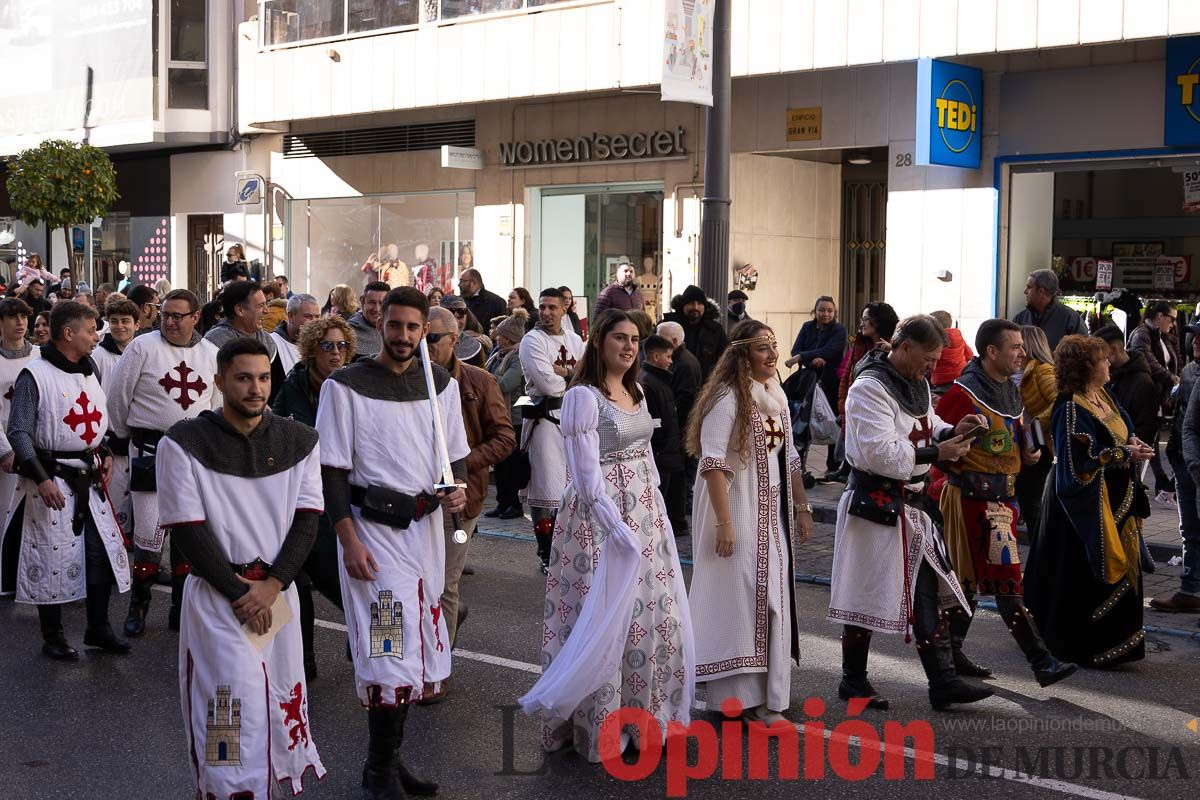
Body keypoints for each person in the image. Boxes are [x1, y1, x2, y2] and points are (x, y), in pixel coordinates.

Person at [518, 310, 694, 762]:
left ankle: (644, 715)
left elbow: (646, 455)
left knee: (649, 613)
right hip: (599, 519)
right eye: (620, 337)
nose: (629, 346)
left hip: (644, 510)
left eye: (635, 338)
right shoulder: (582, 396)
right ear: (599, 342)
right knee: (604, 615)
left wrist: (656, 515)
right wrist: (616, 528)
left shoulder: (637, 389)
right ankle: (598, 722)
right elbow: (585, 473)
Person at [315, 287, 467, 799]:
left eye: (413, 327)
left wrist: (459, 488)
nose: (403, 336)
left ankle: (387, 764)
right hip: (372, 536)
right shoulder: (344, 385)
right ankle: (378, 772)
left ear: (425, 330)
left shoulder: (440, 383)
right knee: (388, 649)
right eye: (395, 325)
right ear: (379, 325)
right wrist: (347, 538)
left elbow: (455, 457)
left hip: (424, 535)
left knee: (414, 650)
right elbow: (331, 470)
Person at [158, 338, 326, 798]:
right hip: (220, 597)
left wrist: (272, 585)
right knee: (227, 705)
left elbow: (307, 520)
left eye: (264, 377)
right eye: (244, 378)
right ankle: (226, 791)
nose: (256, 388)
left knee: (277, 701)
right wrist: (239, 593)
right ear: (219, 382)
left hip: (275, 595)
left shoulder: (300, 440)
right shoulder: (183, 443)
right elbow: (189, 531)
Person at [828, 315, 991, 711]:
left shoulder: (913, 382)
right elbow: (879, 452)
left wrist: (953, 431)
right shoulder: (869, 389)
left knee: (926, 593)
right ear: (904, 347)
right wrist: (939, 454)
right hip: (876, 504)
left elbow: (926, 423)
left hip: (911, 506)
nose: (933, 367)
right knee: (865, 594)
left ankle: (943, 681)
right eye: (930, 358)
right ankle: (854, 679)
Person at [935, 319, 1077, 688]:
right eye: (1014, 347)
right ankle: (1041, 661)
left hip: (1003, 498)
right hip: (971, 499)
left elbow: (1009, 434)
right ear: (992, 352)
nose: (1022, 353)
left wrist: (1023, 452)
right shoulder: (963, 395)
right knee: (1006, 581)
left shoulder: (1009, 390)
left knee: (973, 583)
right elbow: (938, 449)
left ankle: (952, 652)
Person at [687, 320, 812, 723]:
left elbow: (790, 458)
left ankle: (766, 698)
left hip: (771, 516)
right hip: (736, 510)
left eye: (774, 346)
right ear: (742, 354)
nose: (773, 354)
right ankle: (736, 699)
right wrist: (725, 523)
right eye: (763, 347)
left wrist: (803, 506)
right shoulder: (727, 397)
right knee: (740, 599)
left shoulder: (774, 393)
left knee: (771, 597)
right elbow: (712, 461)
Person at [5, 301, 131, 659]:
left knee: (100, 552)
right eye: (91, 330)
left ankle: (98, 627)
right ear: (68, 333)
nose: (96, 336)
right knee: (51, 556)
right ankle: (53, 636)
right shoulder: (35, 374)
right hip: (53, 479)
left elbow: (93, 422)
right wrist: (41, 478)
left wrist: (103, 451)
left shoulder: (88, 370)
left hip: (88, 477)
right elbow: (19, 432)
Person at [1024, 335, 1154, 667]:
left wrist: (1132, 440)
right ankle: (1088, 645)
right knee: (1084, 571)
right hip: (1084, 503)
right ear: (1086, 368)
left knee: (1123, 565)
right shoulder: (1069, 406)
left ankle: (1120, 641)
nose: (1109, 363)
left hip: (1116, 497)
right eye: (1102, 360)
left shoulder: (1101, 394)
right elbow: (1077, 463)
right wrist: (1124, 452)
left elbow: (1120, 427)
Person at [107, 289, 221, 636]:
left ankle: (180, 610)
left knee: (188, 535)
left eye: (177, 315)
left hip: (193, 456)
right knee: (148, 537)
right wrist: (123, 436)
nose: (169, 321)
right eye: (165, 314)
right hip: (150, 452)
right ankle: (139, 608)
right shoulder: (143, 347)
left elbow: (215, 401)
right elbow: (118, 395)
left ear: (195, 317)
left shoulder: (211, 353)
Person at [424, 307, 514, 660]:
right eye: (420, 338)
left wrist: (459, 466)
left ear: (454, 340)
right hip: (410, 499)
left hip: (462, 500)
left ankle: (439, 665)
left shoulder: (479, 381)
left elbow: (505, 438)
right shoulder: (406, 380)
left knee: (445, 581)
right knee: (414, 581)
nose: (424, 345)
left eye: (432, 338)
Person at [272, 314, 356, 679]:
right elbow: (275, 431)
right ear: (312, 350)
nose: (336, 353)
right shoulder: (293, 386)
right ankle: (302, 660)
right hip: (295, 498)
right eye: (327, 346)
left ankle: (367, 642)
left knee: (344, 579)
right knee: (295, 581)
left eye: (341, 346)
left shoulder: (353, 386)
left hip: (339, 496)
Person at [518, 288, 585, 573]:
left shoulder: (574, 339)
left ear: (563, 309)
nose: (546, 313)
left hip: (573, 422)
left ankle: (568, 550)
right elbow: (547, 385)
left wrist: (567, 373)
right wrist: (572, 378)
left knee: (575, 489)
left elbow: (587, 376)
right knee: (546, 491)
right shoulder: (532, 341)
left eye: (552, 308)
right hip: (544, 421)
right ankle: (546, 553)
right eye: (542, 307)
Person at [828, 302, 899, 482]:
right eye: (862, 319)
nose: (861, 324)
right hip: (854, 403)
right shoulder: (861, 343)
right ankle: (848, 471)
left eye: (866, 320)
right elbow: (847, 375)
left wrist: (893, 353)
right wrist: (843, 403)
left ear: (878, 322)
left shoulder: (897, 345)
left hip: (881, 409)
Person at [1157, 325, 1200, 613]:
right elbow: (1186, 422)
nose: (1196, 341)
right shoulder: (1189, 371)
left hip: (1193, 461)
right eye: (1194, 335)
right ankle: (1190, 588)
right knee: (1189, 529)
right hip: (1186, 461)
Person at [0, 298, 38, 594]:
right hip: (6, 453)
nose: (20, 322)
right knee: (5, 515)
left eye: (24, 316)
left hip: (37, 449)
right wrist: (6, 449)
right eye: (12, 317)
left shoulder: (39, 356)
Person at [786, 296, 848, 474]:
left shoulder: (839, 330)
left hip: (831, 382)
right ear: (815, 311)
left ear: (834, 312)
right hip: (809, 382)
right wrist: (811, 359)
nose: (825, 314)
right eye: (822, 310)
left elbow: (832, 350)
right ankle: (799, 465)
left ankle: (833, 465)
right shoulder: (807, 327)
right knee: (803, 421)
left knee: (832, 420)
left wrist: (803, 356)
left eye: (830, 310)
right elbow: (796, 350)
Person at [1095, 325, 1160, 488]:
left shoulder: (1142, 383)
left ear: (1113, 349)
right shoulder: (1109, 378)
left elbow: (1147, 428)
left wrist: (1126, 446)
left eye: (1101, 356)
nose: (1097, 361)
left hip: (1124, 465)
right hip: (1110, 459)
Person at [1128, 301, 1179, 499]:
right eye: (1171, 318)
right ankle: (1158, 483)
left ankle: (1160, 482)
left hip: (1156, 395)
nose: (1173, 323)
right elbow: (1149, 363)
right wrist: (1172, 378)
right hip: (1146, 395)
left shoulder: (1160, 336)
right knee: (1148, 437)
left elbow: (1170, 361)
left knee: (1153, 438)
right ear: (1159, 316)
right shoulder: (1143, 334)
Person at [657, 320, 702, 536]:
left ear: (674, 341)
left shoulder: (684, 363)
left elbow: (685, 400)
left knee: (678, 480)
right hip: (678, 430)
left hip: (680, 431)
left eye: (661, 336)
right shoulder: (680, 360)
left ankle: (676, 522)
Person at [484, 310, 529, 520]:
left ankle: (515, 503)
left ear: (509, 337)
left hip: (515, 417)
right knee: (500, 463)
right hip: (500, 415)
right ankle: (502, 502)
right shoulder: (498, 355)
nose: (496, 337)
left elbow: (505, 384)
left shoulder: (519, 356)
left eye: (500, 335)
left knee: (511, 464)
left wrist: (483, 381)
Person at [1016, 325, 1056, 546]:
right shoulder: (1030, 369)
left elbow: (1059, 401)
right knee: (1028, 497)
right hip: (1036, 440)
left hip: (1041, 441)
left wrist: (1035, 425)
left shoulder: (1042, 370)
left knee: (1030, 498)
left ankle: (1040, 549)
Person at [640, 334, 684, 530]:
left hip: (666, 453)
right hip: (662, 455)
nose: (671, 361)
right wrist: (661, 449)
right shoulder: (650, 383)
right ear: (656, 357)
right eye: (668, 356)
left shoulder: (658, 381)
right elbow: (654, 422)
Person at [662, 285, 728, 382]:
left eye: (699, 303)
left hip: (705, 386)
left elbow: (725, 359)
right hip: (673, 383)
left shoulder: (715, 330)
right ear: (683, 305)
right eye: (691, 303)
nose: (695, 307)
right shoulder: (668, 326)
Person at [1012, 269, 1085, 351]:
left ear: (1041, 292)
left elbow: (1082, 354)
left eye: (1029, 287)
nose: (1025, 291)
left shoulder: (1071, 320)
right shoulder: (1020, 319)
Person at [204, 281, 278, 362]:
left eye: (266, 304)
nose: (266, 311)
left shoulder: (268, 341)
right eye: (260, 305)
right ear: (240, 310)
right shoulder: (214, 344)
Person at [269, 293, 321, 393]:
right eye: (308, 316)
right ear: (291, 316)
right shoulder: (272, 342)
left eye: (317, 317)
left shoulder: (321, 344)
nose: (314, 322)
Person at [928, 310, 974, 395]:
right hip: (961, 378)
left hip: (941, 381)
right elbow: (970, 355)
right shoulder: (958, 337)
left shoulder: (936, 340)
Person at [348, 281, 388, 359]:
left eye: (381, 303)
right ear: (363, 302)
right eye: (372, 302)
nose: (377, 309)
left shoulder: (396, 330)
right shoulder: (349, 332)